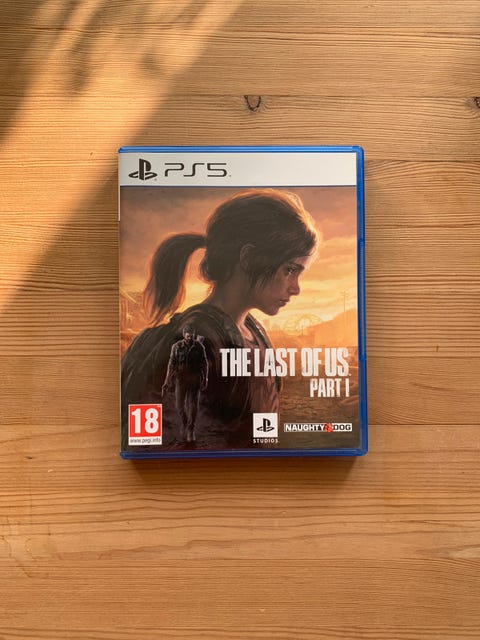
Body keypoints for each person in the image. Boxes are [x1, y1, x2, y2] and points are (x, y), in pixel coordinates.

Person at [143, 189, 318, 448]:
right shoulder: (199, 336)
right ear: (248, 258)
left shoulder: (252, 331)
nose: (296, 288)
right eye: (290, 270)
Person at [161, 325, 208, 443]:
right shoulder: (176, 347)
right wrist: (166, 381)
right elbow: (171, 365)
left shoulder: (199, 347)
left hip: (194, 379)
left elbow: (204, 364)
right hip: (181, 379)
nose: (189, 335)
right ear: (183, 334)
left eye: (191, 332)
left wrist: (205, 379)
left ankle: (190, 429)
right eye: (187, 332)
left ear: (193, 333)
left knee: (193, 405)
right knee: (179, 405)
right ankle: (185, 423)